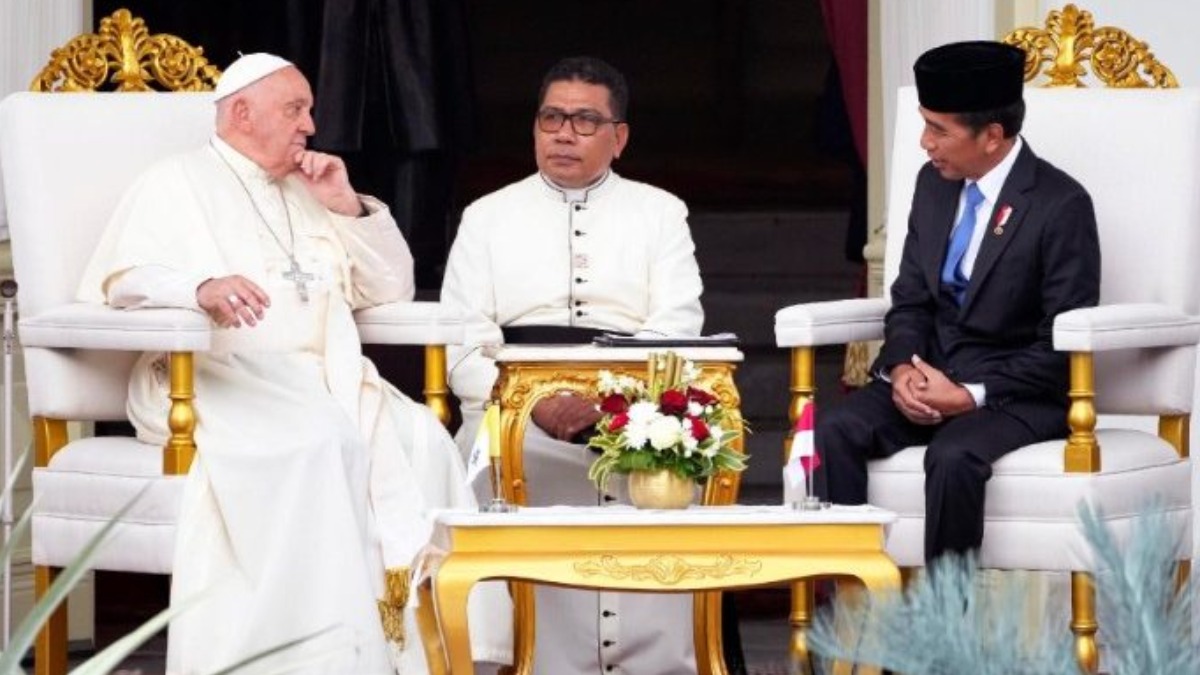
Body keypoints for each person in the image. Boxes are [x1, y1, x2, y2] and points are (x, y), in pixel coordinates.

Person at [76, 53, 509, 674]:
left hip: (324, 377)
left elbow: (390, 289)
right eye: (295, 109)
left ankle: (420, 653)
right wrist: (198, 287)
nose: (310, 125)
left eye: (308, 110)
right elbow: (125, 280)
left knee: (419, 438)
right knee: (319, 440)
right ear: (241, 113)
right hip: (217, 377)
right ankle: (310, 658)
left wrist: (344, 204)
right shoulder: (175, 182)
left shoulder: (309, 191)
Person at [441, 56, 704, 674]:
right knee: (488, 474)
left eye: (585, 121)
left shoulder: (660, 212)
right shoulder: (486, 216)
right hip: (511, 410)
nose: (564, 133)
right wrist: (534, 404)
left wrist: (613, 405)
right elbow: (464, 340)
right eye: (552, 117)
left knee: (664, 478)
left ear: (620, 137)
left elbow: (677, 322)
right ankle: (518, 660)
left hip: (631, 407)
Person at [816, 41, 1101, 562]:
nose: (925, 143)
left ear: (992, 135)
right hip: (930, 375)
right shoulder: (934, 185)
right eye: (924, 124)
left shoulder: (1061, 205)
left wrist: (970, 394)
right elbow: (910, 300)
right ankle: (851, 619)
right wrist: (902, 367)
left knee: (952, 455)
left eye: (939, 129)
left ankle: (945, 634)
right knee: (835, 430)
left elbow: (1059, 345)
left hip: (1015, 394)